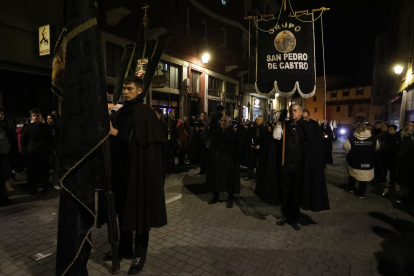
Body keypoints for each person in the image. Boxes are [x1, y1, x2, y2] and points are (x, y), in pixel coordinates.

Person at [105, 75, 167, 275]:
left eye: (129, 88)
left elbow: (142, 146)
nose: (125, 91)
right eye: (124, 88)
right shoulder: (121, 113)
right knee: (122, 211)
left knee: (140, 212)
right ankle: (124, 248)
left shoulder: (146, 113)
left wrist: (115, 133)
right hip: (120, 172)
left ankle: (140, 253)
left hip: (139, 173)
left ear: (140, 90)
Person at [275, 104, 330, 230]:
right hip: (286, 165)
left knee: (296, 193)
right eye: (290, 111)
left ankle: (294, 217)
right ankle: (285, 215)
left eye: (294, 111)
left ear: (300, 112)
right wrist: (279, 121)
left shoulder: (306, 126)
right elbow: (276, 139)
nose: (292, 113)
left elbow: (313, 143)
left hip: (299, 167)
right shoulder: (285, 125)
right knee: (285, 192)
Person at [206, 116, 240, 208]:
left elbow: (236, 148)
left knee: (229, 177)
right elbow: (212, 146)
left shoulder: (233, 134)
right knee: (216, 177)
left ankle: (230, 196)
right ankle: (215, 195)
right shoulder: (216, 133)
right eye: (221, 121)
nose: (223, 122)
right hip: (217, 159)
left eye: (225, 121)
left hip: (228, 159)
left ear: (229, 123)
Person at [21, 109, 54, 196]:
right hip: (32, 153)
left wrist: (50, 151)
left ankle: (45, 189)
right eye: (34, 115)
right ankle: (33, 189)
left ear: (41, 116)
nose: (36, 117)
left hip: (44, 153)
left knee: (44, 172)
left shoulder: (46, 127)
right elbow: (23, 141)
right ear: (31, 117)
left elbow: (50, 140)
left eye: (37, 115)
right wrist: (24, 151)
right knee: (33, 172)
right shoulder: (27, 128)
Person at [342, 123, 380, 198]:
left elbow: (346, 148)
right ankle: (361, 193)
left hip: (355, 160)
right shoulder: (373, 138)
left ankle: (351, 188)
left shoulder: (352, 138)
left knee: (352, 175)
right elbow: (376, 147)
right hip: (368, 161)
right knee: (364, 178)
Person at [396, 121, 414, 205]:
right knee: (401, 178)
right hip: (401, 159)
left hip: (409, 160)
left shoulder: (412, 137)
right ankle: (402, 194)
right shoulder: (402, 134)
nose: (408, 126)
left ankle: (405, 197)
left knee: (406, 179)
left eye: (411, 125)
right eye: (408, 125)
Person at [245, 117, 264, 181]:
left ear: (262, 121)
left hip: (260, 149)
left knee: (258, 163)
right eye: (256, 120)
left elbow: (265, 140)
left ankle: (257, 176)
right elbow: (248, 138)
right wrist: (250, 144)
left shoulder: (264, 130)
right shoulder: (251, 129)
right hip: (252, 148)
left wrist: (260, 145)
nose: (257, 121)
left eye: (259, 120)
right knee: (251, 162)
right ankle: (249, 174)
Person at [47, 114, 61, 190]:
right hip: (48, 151)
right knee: (46, 168)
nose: (48, 120)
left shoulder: (57, 128)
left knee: (56, 168)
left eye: (50, 118)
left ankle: (55, 183)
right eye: (47, 118)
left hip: (56, 151)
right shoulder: (46, 128)